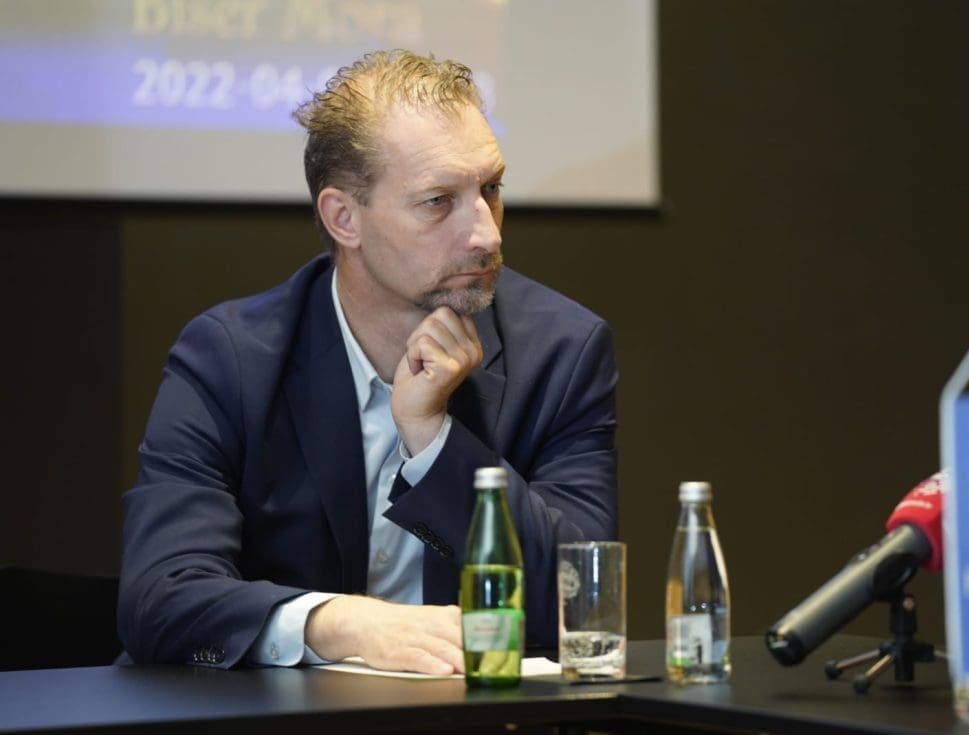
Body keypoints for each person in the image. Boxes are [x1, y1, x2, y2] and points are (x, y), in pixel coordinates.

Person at [117, 50, 618, 674]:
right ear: (344, 218)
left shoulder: (562, 352)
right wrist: (341, 623)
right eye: (438, 201)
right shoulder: (231, 359)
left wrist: (433, 439)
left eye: (490, 189)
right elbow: (159, 597)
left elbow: (580, 600)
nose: (487, 234)